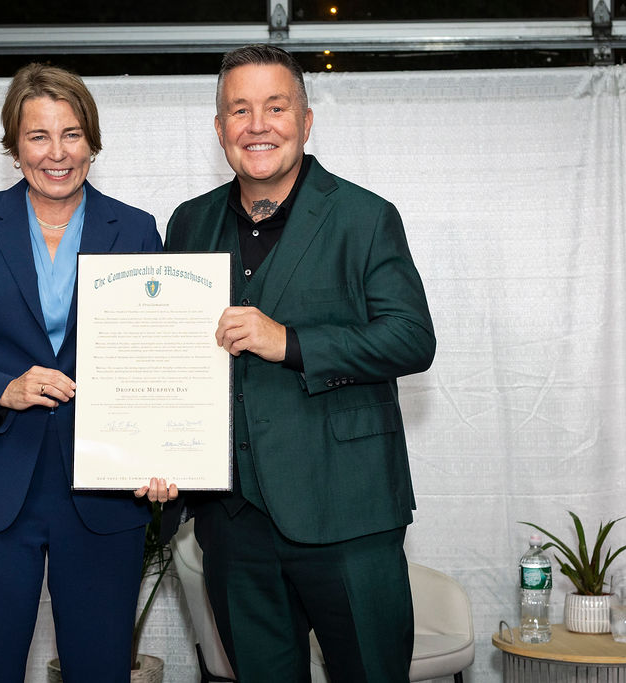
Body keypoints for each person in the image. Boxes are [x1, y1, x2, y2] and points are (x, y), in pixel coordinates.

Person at [164, 44, 436, 682]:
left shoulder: (365, 217)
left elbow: (411, 338)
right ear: (220, 129)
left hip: (350, 515)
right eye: (239, 110)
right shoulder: (189, 224)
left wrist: (292, 342)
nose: (257, 125)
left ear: (306, 121)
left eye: (275, 107)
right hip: (235, 526)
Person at [0, 63, 175, 683]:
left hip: (105, 488)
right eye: (38, 137)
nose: (57, 154)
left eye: (72, 134)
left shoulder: (135, 230)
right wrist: (2, 387)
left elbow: (157, 354)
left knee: (101, 670)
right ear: (13, 145)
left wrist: (165, 452)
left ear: (93, 142)